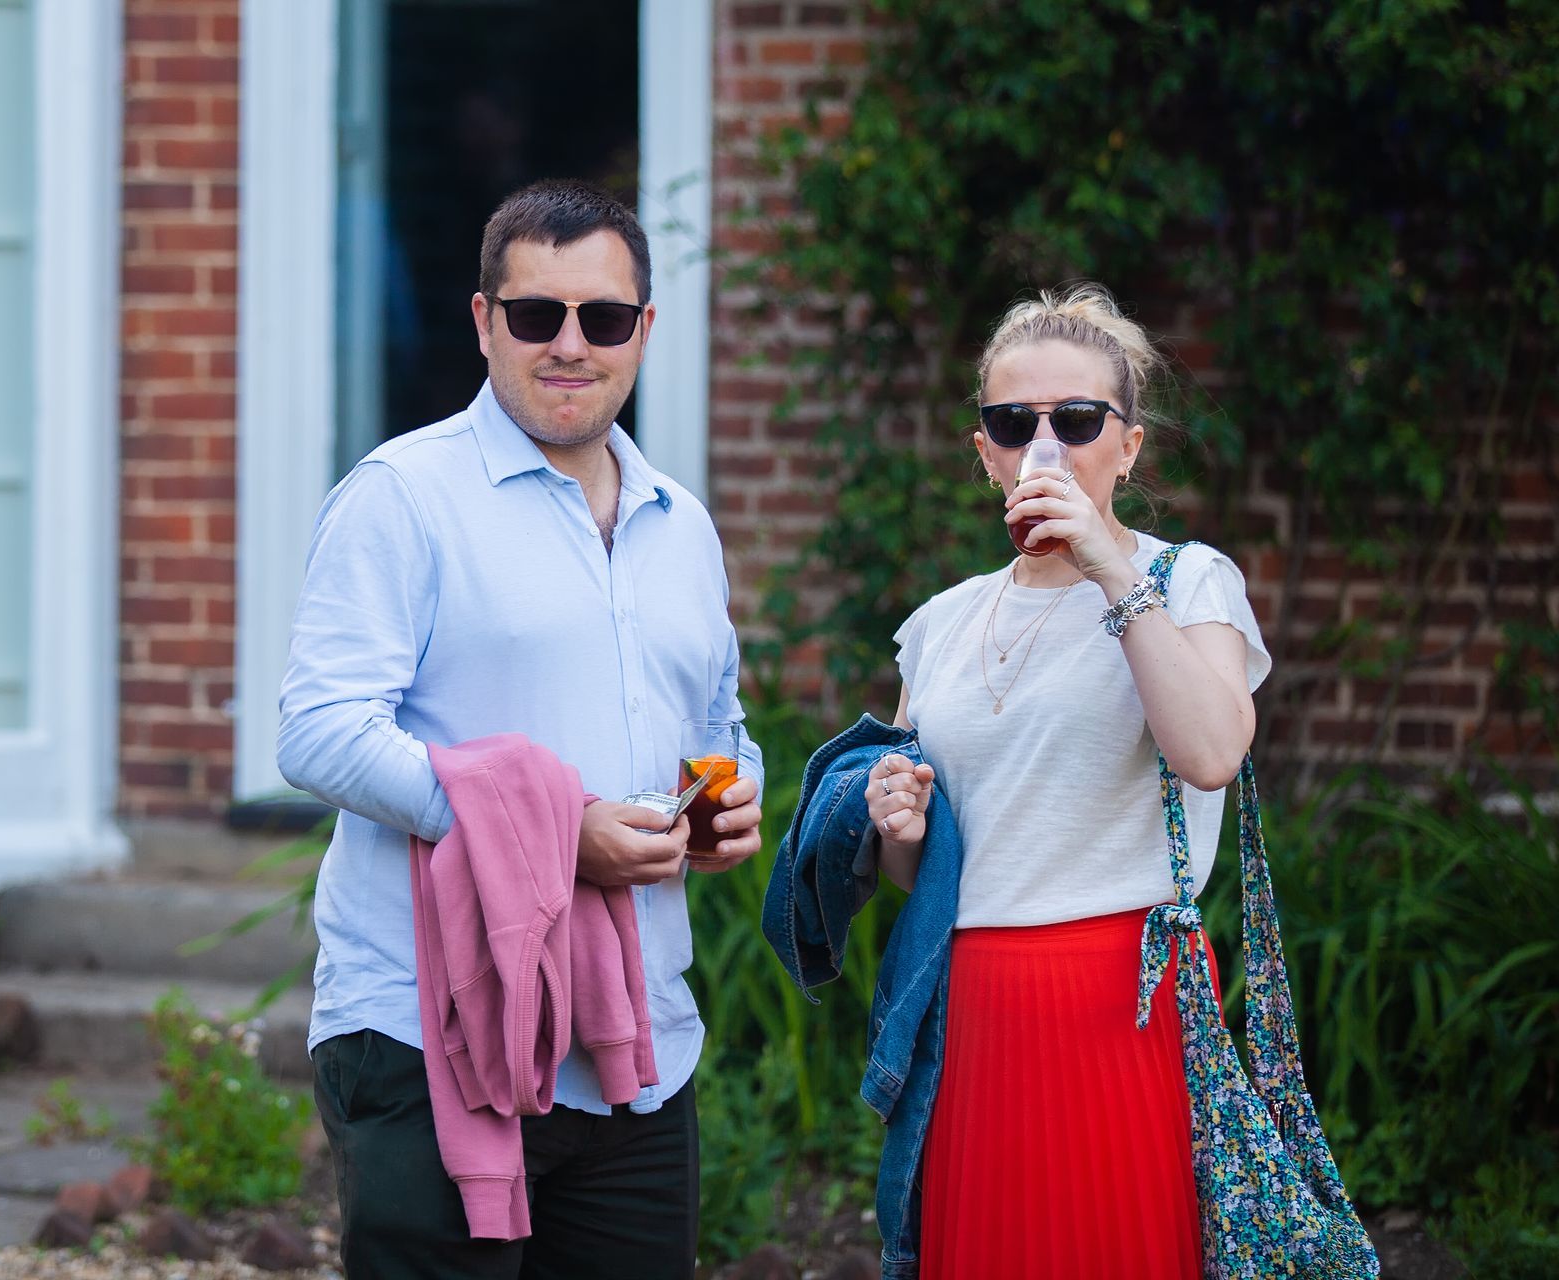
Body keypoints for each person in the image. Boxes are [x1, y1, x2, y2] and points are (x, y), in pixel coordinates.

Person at [277, 179, 764, 1280]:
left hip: (637, 1041)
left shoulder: (680, 524)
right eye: (536, 314)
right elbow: (317, 730)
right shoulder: (402, 496)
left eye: (601, 317)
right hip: (429, 1031)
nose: (569, 345)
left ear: (643, 330)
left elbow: (717, 722)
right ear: (485, 321)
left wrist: (728, 798)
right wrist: (553, 830)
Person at [866, 283, 1271, 1278]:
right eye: (1015, 422)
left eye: (1077, 420)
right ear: (986, 454)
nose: (1044, 445)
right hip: (974, 1009)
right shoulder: (943, 624)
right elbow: (920, 870)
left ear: (1126, 446)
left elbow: (1213, 751)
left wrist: (1106, 563)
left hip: (1120, 1001)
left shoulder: (1187, 580)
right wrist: (899, 827)